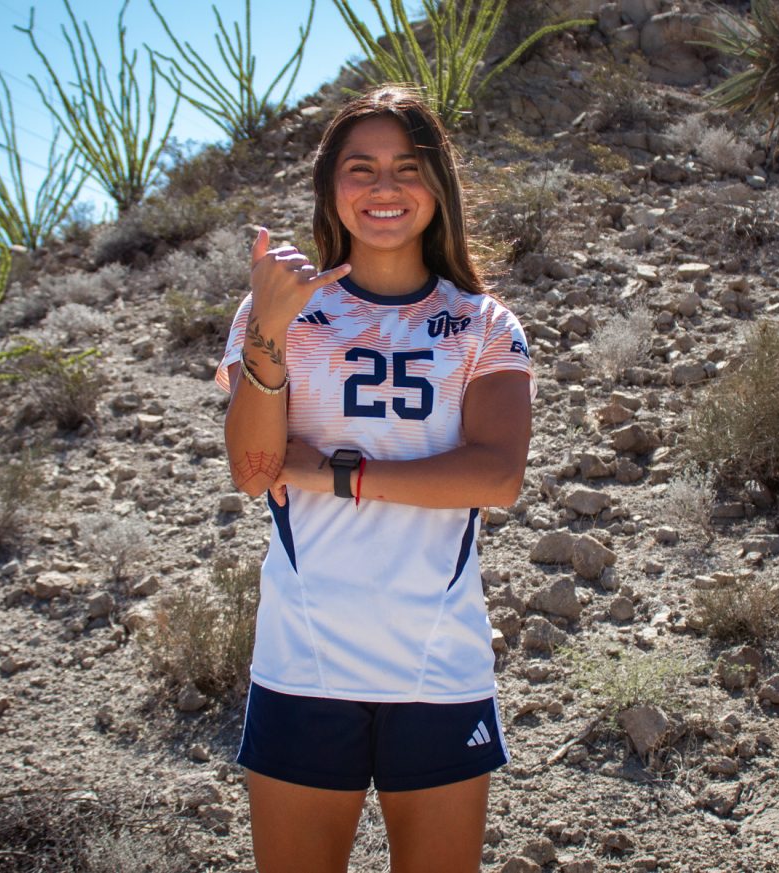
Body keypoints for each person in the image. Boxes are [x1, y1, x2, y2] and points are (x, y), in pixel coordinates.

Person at [215, 85, 534, 873]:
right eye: (361, 168)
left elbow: (495, 478)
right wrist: (267, 332)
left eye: (407, 167)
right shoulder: (275, 312)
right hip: (303, 658)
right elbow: (255, 471)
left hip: (439, 663)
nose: (384, 188)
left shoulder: (485, 324)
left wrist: (337, 474)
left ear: (438, 185)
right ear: (330, 187)